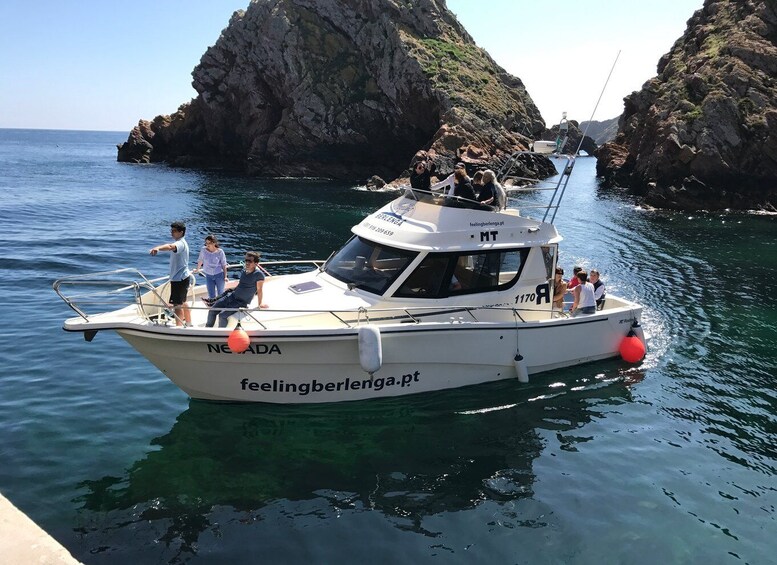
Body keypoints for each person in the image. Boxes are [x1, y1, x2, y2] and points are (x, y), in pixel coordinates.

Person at [205, 251, 268, 328]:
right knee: (212, 310)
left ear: (256, 263)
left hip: (241, 302)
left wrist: (260, 303)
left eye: (250, 261)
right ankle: (207, 329)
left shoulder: (258, 275)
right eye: (246, 260)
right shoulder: (244, 271)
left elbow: (259, 290)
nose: (247, 263)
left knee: (222, 316)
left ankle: (220, 333)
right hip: (231, 296)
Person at [150, 221, 191, 327]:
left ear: (181, 232)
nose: (171, 233)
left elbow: (170, 247)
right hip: (183, 277)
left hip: (179, 278)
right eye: (171, 231)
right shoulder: (182, 242)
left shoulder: (180, 243)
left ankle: (179, 327)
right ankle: (189, 323)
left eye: (174, 231)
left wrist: (158, 248)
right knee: (183, 302)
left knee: (177, 305)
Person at [196, 234, 228, 299]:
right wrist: (197, 269)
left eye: (209, 243)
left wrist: (225, 276)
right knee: (211, 294)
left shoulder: (220, 252)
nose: (207, 245)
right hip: (208, 275)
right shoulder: (203, 250)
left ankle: (221, 307)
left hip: (219, 275)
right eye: (206, 243)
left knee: (221, 294)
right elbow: (200, 260)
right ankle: (213, 307)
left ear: (214, 243)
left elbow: (224, 264)